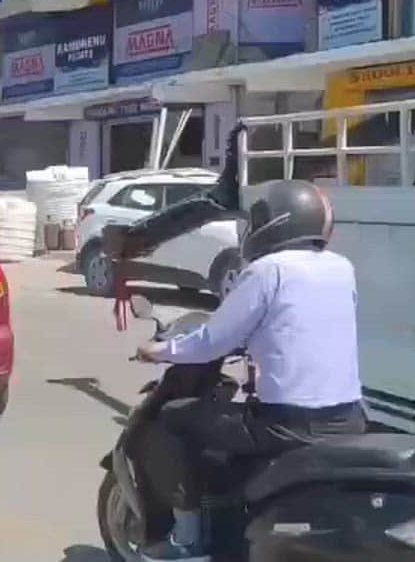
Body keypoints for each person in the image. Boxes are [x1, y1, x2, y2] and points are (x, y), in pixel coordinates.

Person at [127, 180, 366, 562]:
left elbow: (210, 341)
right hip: (349, 419)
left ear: (273, 223)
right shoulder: (342, 268)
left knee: (174, 418)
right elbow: (297, 325)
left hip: (287, 425)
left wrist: (160, 352)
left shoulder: (268, 270)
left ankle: (186, 541)